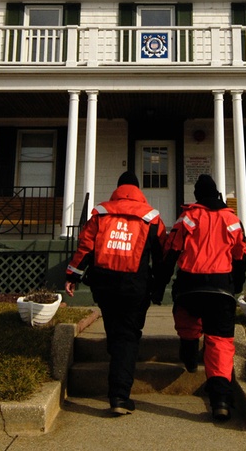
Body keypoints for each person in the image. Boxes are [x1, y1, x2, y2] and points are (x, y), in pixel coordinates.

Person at [64, 171, 166, 416]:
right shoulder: (151, 217)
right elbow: (161, 255)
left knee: (114, 329)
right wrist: (159, 285)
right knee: (127, 337)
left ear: (118, 189)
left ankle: (117, 369)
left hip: (104, 283)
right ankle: (119, 395)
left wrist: (72, 276)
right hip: (135, 285)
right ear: (139, 190)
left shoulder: (101, 213)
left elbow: (85, 247)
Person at [153, 174, 246, 421]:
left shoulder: (188, 217)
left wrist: (158, 286)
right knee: (220, 343)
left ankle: (189, 356)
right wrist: (236, 284)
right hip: (221, 288)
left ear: (197, 195)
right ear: (217, 194)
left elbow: (171, 251)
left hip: (190, 285)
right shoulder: (232, 219)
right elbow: (240, 255)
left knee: (187, 322)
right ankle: (220, 400)